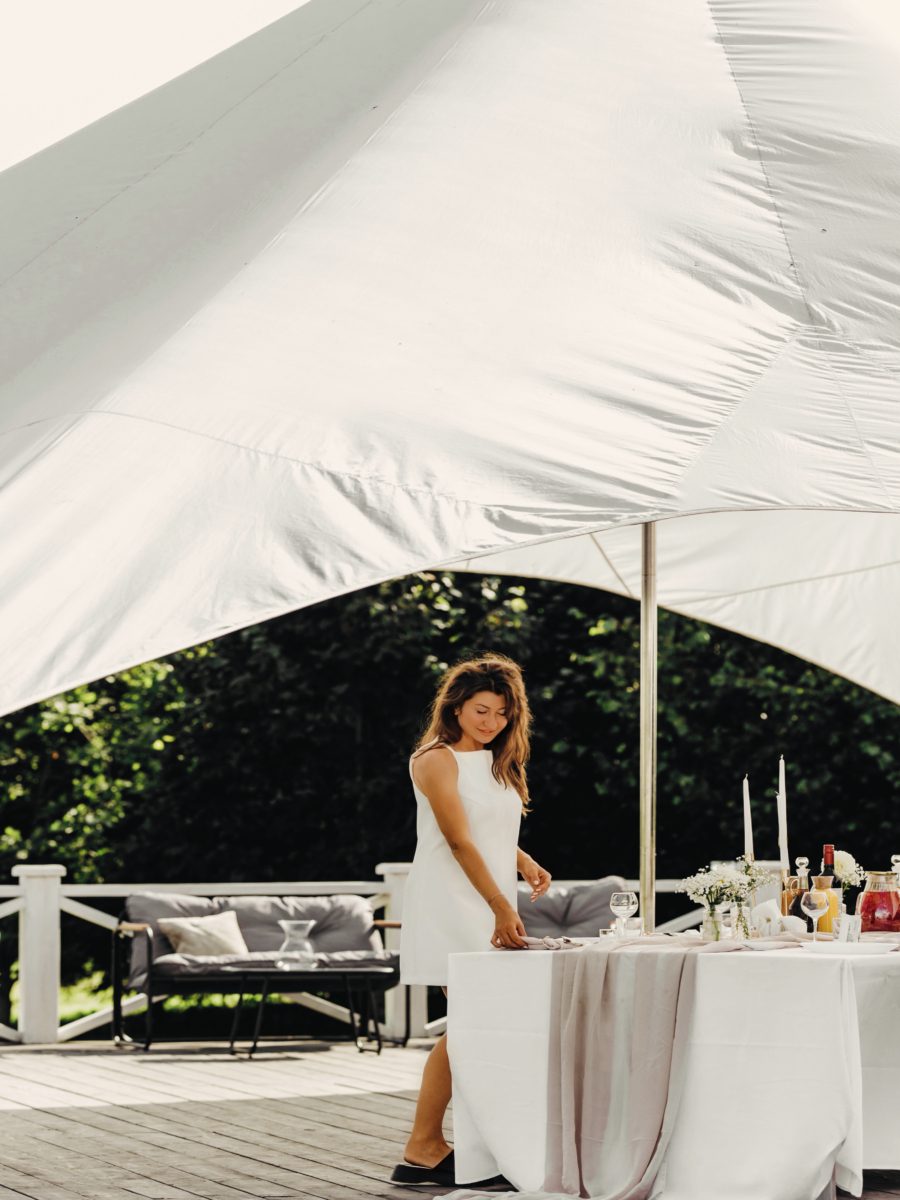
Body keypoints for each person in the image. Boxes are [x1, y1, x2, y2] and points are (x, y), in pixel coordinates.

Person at [390, 653, 552, 1187]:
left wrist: (522, 860)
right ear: (456, 706)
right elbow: (457, 840)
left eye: (502, 713)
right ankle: (424, 1145)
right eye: (481, 710)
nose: (491, 722)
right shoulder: (435, 759)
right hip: (453, 902)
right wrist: (501, 905)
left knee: (474, 1023)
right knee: (469, 1022)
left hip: (486, 895)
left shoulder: (493, 762)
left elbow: (485, 828)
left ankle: (447, 1145)